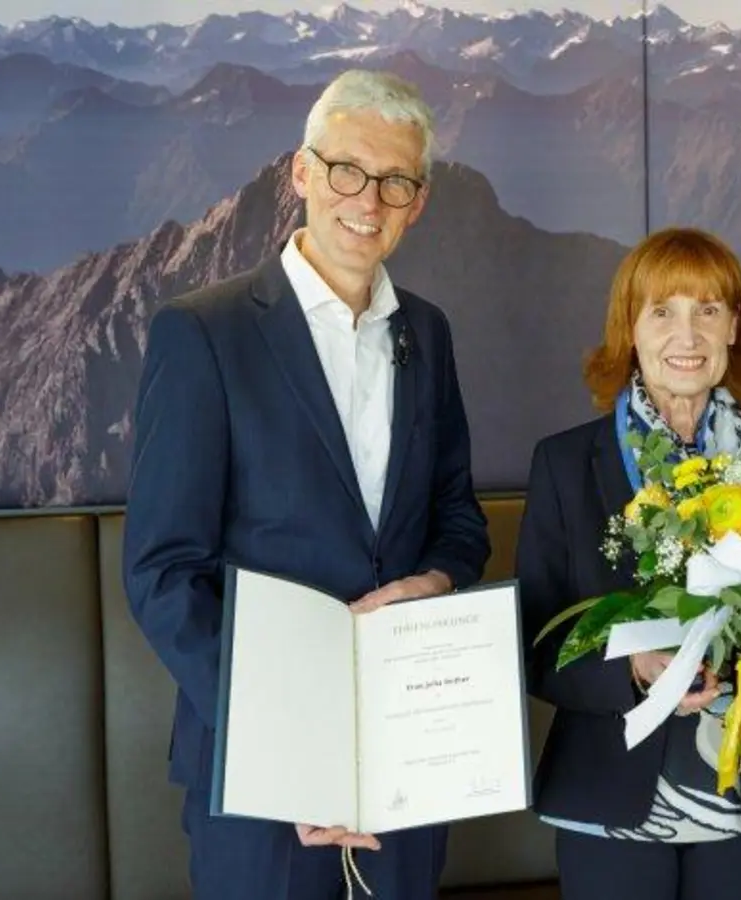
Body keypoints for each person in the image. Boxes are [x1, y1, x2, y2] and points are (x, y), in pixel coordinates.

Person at [122, 70, 490, 900]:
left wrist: (427, 582)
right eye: (347, 171)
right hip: (258, 782)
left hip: (404, 764)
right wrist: (291, 748)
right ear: (302, 173)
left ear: (418, 202)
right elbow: (162, 572)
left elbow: (459, 519)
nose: (369, 200)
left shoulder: (426, 333)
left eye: (396, 181)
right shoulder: (203, 333)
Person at [516, 227, 741, 900]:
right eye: (663, 311)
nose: (688, 335)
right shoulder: (566, 464)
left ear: (735, 326)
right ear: (630, 326)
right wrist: (632, 667)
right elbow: (535, 639)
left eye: (708, 310)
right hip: (608, 787)